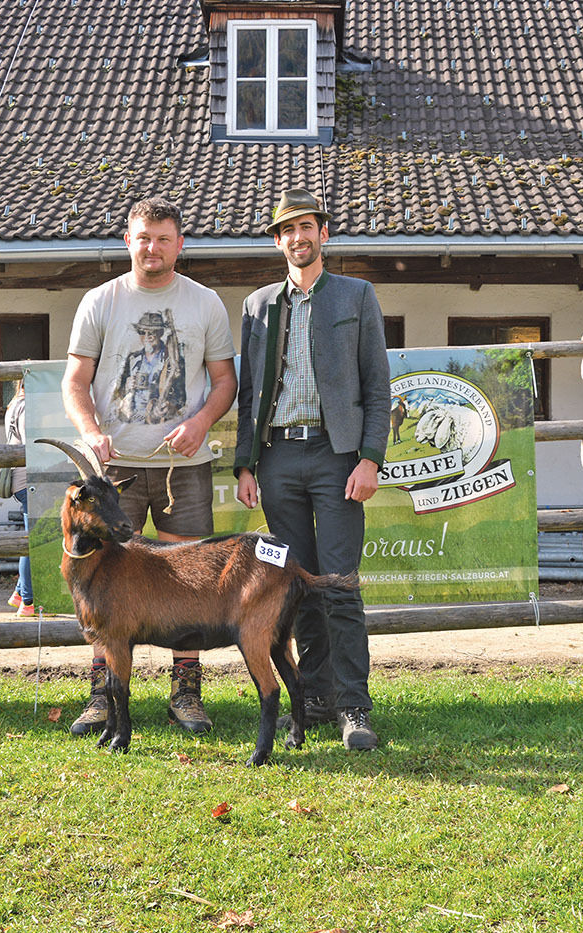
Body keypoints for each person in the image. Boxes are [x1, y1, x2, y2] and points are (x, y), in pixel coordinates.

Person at [61, 196, 237, 737]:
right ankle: (102, 693)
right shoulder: (100, 301)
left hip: (183, 466)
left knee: (187, 583)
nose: (152, 248)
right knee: (105, 587)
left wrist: (202, 421)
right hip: (114, 477)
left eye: (163, 239)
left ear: (180, 244)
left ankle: (185, 693)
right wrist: (92, 432)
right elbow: (75, 382)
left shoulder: (205, 303)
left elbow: (225, 381)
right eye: (143, 238)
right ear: (128, 241)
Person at [234, 188, 390, 751]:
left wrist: (370, 457)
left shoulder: (356, 296)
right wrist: (245, 465)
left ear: (323, 233)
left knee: (341, 583)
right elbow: (250, 391)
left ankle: (354, 707)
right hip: (276, 459)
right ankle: (315, 695)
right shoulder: (259, 306)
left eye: (307, 227)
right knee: (295, 586)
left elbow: (378, 384)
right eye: (287, 230)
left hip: (337, 456)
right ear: (278, 242)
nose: (298, 237)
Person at [4, 380, 35, 616]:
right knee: (31, 542)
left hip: (18, 479)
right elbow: (30, 443)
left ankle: (18, 593)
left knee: (29, 538)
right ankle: (28, 601)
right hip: (28, 480)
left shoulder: (13, 404)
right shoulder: (26, 407)